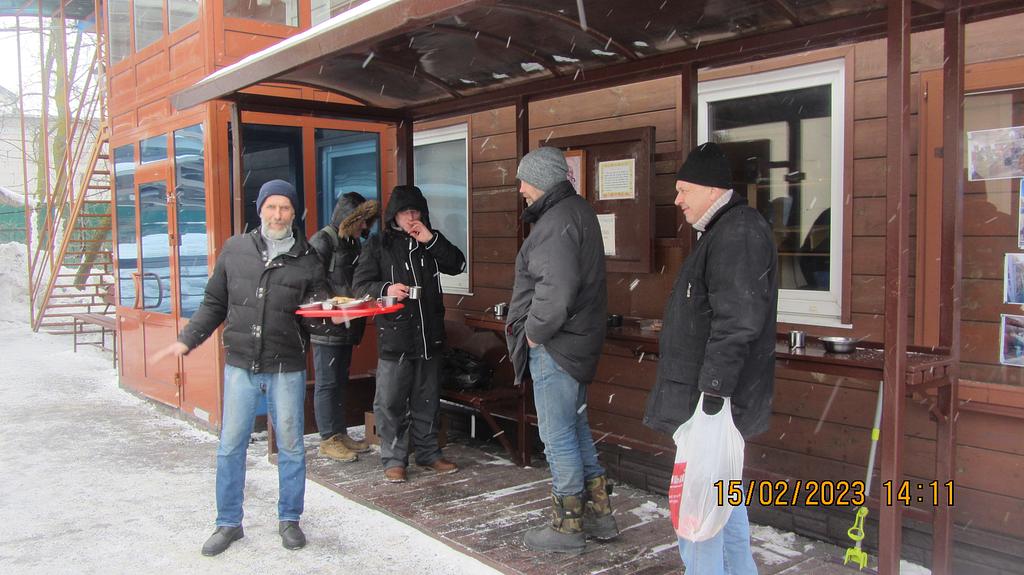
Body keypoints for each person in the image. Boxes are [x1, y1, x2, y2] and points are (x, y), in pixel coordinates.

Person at [152, 179, 335, 556]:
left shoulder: (308, 259)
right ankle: (228, 523)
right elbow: (214, 303)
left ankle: (290, 519)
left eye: (285, 208)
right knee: (231, 445)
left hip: (286, 364)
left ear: (293, 213)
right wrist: (188, 338)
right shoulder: (235, 249)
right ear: (261, 209)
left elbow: (316, 314)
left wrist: (333, 316)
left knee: (291, 446)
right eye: (272, 207)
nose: (278, 215)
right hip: (240, 364)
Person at [643, 142, 778, 574]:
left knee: (697, 513)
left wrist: (713, 396)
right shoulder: (723, 231)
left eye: (684, 190)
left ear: (712, 189)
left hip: (713, 404)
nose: (677, 199)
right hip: (710, 400)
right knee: (722, 500)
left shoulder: (737, 233)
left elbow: (737, 322)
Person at [505, 146, 616, 554]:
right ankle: (600, 516)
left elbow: (555, 292)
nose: (521, 189)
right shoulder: (577, 211)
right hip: (578, 344)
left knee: (557, 436)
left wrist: (533, 334)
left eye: (524, 180)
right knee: (575, 428)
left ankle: (568, 528)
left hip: (557, 347)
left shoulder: (555, 222)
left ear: (542, 180)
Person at [352, 184, 466, 483]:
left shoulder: (430, 241)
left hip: (430, 334)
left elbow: (458, 264)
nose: (411, 217)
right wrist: (386, 289)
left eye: (416, 211)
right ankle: (394, 459)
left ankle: (428, 452)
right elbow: (359, 286)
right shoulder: (378, 244)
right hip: (395, 335)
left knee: (427, 398)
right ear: (394, 215)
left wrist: (431, 240)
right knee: (390, 402)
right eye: (405, 212)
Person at [308, 192, 379, 462]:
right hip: (328, 325)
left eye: (367, 221)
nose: (365, 226)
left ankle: (339, 434)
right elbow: (312, 282)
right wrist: (331, 309)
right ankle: (328, 439)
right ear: (349, 219)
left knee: (339, 381)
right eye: (361, 220)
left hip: (348, 323)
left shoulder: (352, 242)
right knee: (327, 383)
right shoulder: (322, 240)